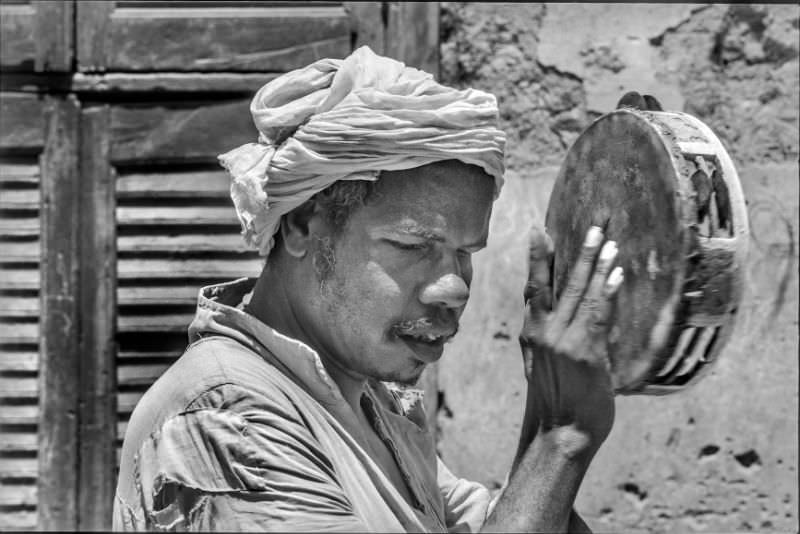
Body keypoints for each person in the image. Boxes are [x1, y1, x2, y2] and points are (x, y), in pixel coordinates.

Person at [113, 46, 624, 532]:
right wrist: (561, 436)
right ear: (302, 226)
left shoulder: (375, 405)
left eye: (466, 253)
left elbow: (515, 517)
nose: (454, 289)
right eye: (410, 245)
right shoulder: (231, 424)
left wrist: (549, 413)